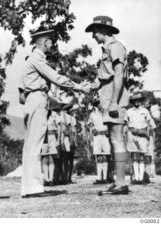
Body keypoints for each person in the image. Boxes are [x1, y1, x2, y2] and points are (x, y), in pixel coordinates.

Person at [19, 27, 90, 198]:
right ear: (45, 42)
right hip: (37, 101)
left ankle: (30, 187)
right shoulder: (37, 58)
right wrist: (79, 87)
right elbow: (56, 78)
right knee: (34, 146)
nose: (52, 45)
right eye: (50, 42)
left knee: (32, 145)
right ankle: (33, 188)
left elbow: (21, 94)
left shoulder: (33, 59)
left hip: (35, 100)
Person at [86, 16, 130, 195]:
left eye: (95, 31)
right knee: (113, 140)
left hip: (115, 98)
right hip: (107, 95)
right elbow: (105, 76)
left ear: (104, 30)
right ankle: (117, 180)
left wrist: (113, 102)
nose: (93, 36)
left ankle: (121, 183)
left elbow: (118, 75)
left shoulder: (116, 47)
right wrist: (90, 86)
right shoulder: (107, 49)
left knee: (117, 139)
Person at [125, 93, 156, 184]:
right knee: (134, 156)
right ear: (132, 102)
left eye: (138, 100)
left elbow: (152, 124)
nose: (137, 102)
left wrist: (151, 137)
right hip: (132, 134)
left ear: (140, 101)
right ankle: (136, 178)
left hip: (142, 134)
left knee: (142, 156)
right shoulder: (128, 111)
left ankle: (141, 178)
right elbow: (126, 124)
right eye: (135, 100)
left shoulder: (145, 111)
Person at [87, 99, 111, 184]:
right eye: (97, 104)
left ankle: (105, 178)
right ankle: (99, 178)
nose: (99, 106)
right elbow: (89, 124)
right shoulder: (92, 114)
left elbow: (110, 123)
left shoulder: (106, 113)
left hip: (105, 135)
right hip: (97, 136)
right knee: (98, 156)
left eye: (100, 104)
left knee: (105, 156)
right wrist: (93, 129)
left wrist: (108, 130)